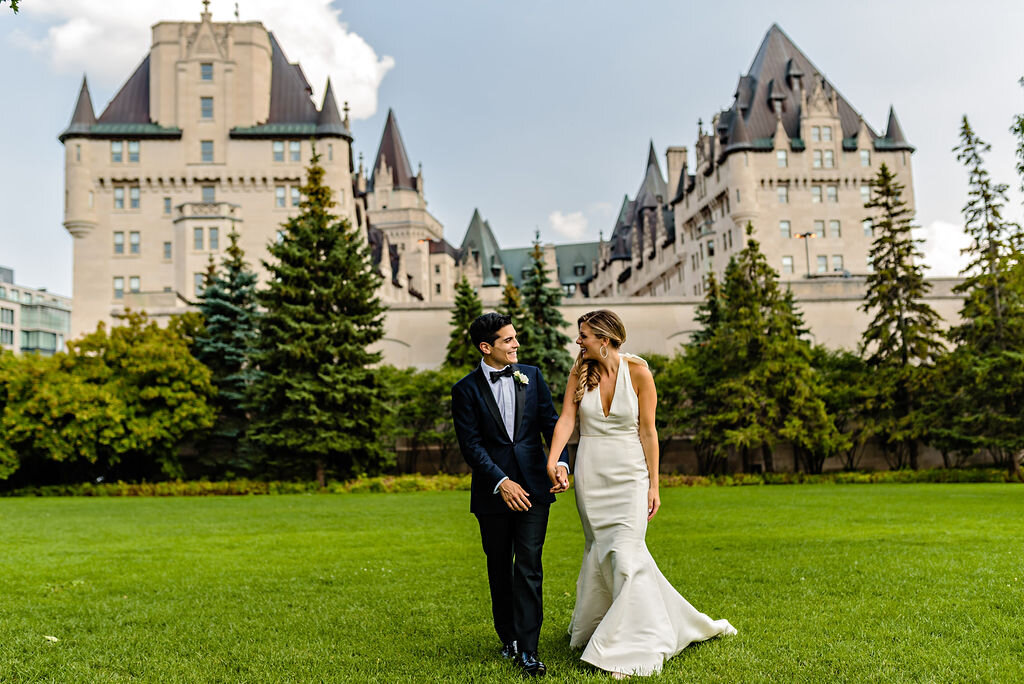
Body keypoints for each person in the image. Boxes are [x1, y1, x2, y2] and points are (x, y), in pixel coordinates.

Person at [546, 309, 736, 677]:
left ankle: (633, 645)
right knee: (602, 551)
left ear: (604, 338)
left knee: (627, 553)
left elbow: (648, 432)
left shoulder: (638, 373)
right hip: (591, 472)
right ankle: (606, 624)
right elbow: (566, 419)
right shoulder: (578, 373)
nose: (578, 341)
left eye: (583, 335)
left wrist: (655, 484)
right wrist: (552, 460)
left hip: (630, 474)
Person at [451, 312, 569, 677]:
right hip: (493, 493)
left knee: (530, 566)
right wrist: (501, 482)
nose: (516, 344)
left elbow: (551, 424)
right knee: (500, 566)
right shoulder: (465, 390)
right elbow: (471, 446)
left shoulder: (531, 376)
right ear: (486, 348)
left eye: (515, 338)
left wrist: (561, 462)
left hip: (535, 485)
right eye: (507, 340)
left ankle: (529, 650)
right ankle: (510, 639)